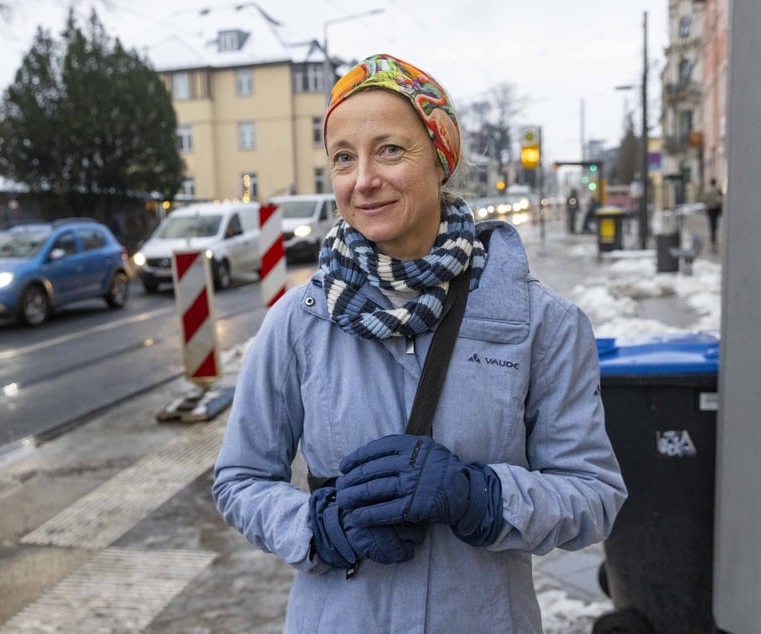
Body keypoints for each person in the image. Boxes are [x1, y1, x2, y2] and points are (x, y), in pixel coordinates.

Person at [212, 53, 627, 632]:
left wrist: (480, 497)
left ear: (440, 158)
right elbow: (240, 481)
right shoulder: (297, 322)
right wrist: (317, 525)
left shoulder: (540, 322)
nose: (363, 180)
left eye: (389, 149)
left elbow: (593, 496)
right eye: (343, 158)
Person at [701, 178, 724, 250]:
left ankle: (712, 237)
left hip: (710, 209)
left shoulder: (708, 191)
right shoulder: (717, 190)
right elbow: (721, 198)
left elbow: (704, 200)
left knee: (711, 223)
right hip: (716, 209)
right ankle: (714, 236)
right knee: (715, 223)